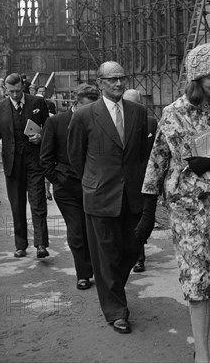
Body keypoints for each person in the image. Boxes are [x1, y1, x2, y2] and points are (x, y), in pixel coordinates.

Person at [139, 43, 210, 363]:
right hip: (185, 212)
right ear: (196, 77)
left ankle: (202, 344)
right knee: (196, 282)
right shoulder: (171, 114)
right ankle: (202, 354)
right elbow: (157, 161)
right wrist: (147, 212)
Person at [67, 62, 150, 334]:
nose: (118, 83)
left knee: (129, 250)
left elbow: (139, 155)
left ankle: (115, 290)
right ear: (100, 82)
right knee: (105, 256)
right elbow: (76, 157)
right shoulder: (84, 115)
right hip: (100, 195)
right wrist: (94, 181)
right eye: (112, 79)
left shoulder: (138, 113)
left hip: (132, 196)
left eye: (121, 78)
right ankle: (116, 311)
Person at [40, 84, 98, 290]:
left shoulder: (97, 121)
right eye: (87, 107)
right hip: (67, 189)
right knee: (76, 229)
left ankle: (96, 268)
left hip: (93, 186)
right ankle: (83, 274)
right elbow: (45, 158)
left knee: (94, 229)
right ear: (76, 104)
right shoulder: (55, 122)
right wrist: (58, 180)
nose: (91, 112)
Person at [0, 73, 50, 258]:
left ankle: (41, 244)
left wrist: (41, 136)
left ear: (23, 87)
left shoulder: (37, 103)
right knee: (17, 204)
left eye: (18, 91)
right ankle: (20, 245)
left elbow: (49, 127)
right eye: (11, 92)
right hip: (12, 163)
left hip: (34, 161)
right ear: (6, 89)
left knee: (38, 202)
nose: (15, 95)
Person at [122, 88, 157, 273]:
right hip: (125, 179)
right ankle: (133, 254)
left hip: (146, 178)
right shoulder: (119, 123)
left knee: (140, 217)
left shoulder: (151, 123)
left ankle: (139, 257)